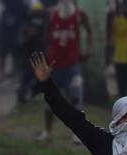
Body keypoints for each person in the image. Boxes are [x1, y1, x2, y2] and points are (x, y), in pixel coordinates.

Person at [36, 0, 93, 141]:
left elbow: (89, 29)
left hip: (72, 66)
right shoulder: (51, 14)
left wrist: (90, 49)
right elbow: (45, 34)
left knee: (76, 99)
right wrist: (47, 51)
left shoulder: (80, 14)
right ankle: (47, 132)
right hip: (54, 67)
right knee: (50, 101)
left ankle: (77, 133)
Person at [17, 0, 46, 105]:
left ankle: (34, 97)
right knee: (26, 77)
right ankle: (22, 98)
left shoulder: (43, 26)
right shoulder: (27, 26)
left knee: (36, 79)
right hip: (29, 56)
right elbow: (21, 42)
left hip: (37, 56)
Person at [0, 0, 27, 82]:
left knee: (16, 53)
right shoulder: (6, 5)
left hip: (16, 28)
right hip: (6, 27)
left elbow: (24, 17)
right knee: (2, 51)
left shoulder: (21, 6)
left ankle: (15, 73)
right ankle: (1, 74)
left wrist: (22, 33)